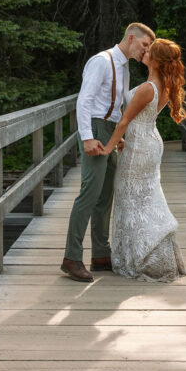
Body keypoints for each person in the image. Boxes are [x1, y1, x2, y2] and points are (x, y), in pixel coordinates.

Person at [60, 22, 155, 282]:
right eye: (144, 45)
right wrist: (87, 136)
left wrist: (117, 135)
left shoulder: (124, 68)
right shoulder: (102, 61)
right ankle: (72, 257)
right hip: (95, 127)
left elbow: (115, 104)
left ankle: (101, 253)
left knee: (105, 194)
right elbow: (85, 100)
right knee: (89, 193)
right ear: (132, 38)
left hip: (109, 129)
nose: (145, 52)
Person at [100, 38, 186, 282]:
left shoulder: (147, 88)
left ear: (156, 59)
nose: (145, 52)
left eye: (149, 51)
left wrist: (109, 146)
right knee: (145, 197)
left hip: (140, 145)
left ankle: (138, 257)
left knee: (129, 197)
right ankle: (152, 252)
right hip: (149, 141)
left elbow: (124, 121)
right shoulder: (162, 85)